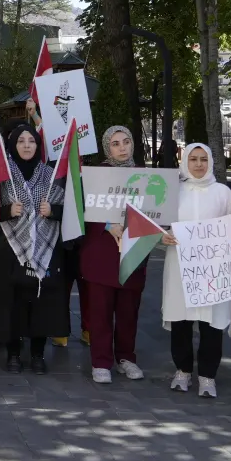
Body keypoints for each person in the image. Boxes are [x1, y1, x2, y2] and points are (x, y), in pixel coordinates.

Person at [160, 143, 231, 397]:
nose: (198, 164)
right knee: (181, 320)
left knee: (211, 322)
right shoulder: (173, 191)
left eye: (203, 159)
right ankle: (182, 370)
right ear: (185, 161)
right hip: (179, 265)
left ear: (210, 162)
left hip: (212, 268)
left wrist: (227, 241)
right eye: (193, 159)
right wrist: (163, 236)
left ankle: (207, 376)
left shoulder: (222, 193)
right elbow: (159, 223)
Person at [0, 124, 68, 375]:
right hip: (10, 249)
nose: (26, 145)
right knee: (12, 304)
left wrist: (53, 211)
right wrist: (7, 211)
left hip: (44, 249)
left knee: (40, 302)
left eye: (31, 141)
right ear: (13, 145)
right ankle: (13, 354)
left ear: (38, 145)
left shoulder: (51, 175)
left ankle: (37, 354)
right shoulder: (2, 174)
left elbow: (71, 211)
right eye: (21, 141)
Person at [79, 126, 147, 384]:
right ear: (108, 147)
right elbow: (85, 208)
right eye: (115, 143)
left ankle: (126, 358)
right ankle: (101, 361)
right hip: (102, 253)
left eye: (126, 142)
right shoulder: (97, 174)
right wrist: (107, 225)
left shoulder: (144, 175)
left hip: (133, 251)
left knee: (129, 311)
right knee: (101, 311)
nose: (122, 147)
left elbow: (153, 207)